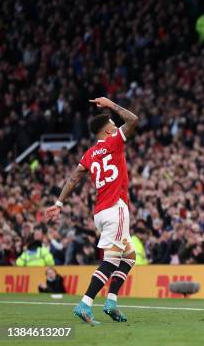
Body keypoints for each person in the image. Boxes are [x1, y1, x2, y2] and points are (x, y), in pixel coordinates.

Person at [44, 97, 138, 324]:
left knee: (130, 256)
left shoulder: (89, 154)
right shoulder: (114, 141)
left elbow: (74, 177)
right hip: (115, 208)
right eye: (114, 126)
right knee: (112, 260)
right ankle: (85, 304)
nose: (117, 127)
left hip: (100, 212)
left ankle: (111, 302)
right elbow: (133, 119)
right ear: (107, 131)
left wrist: (58, 203)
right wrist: (111, 105)